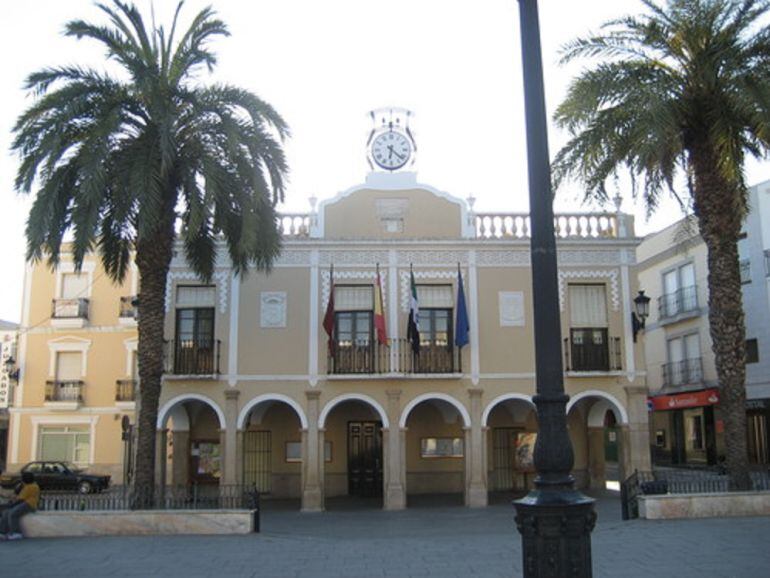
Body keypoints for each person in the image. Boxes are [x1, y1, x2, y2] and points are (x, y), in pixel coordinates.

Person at [0, 471, 40, 540]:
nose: (22, 480)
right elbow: (18, 495)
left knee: (13, 514)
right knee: (6, 513)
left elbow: (21, 500)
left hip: (28, 505)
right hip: (23, 503)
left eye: (22, 479)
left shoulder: (31, 487)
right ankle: (2, 532)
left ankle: (17, 533)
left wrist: (11, 505)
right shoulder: (27, 486)